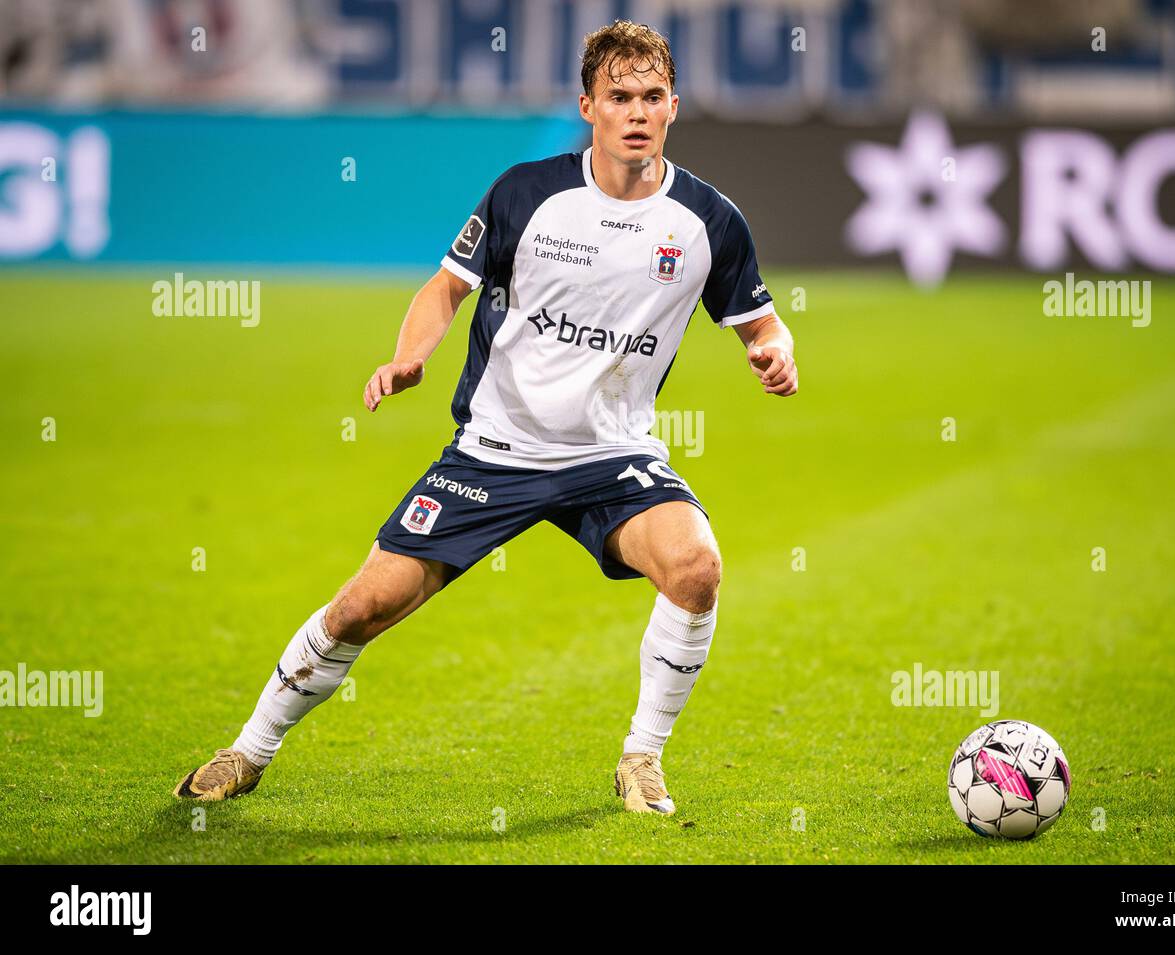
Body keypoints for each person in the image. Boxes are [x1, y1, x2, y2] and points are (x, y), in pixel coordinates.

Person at [174, 19, 797, 816]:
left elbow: (759, 320)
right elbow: (445, 288)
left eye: (650, 97)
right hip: (495, 452)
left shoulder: (710, 223)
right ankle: (248, 749)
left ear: (673, 105)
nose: (635, 112)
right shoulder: (527, 194)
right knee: (361, 607)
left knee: (697, 566)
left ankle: (642, 756)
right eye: (618, 97)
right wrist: (410, 355)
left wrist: (776, 351)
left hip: (612, 456)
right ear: (588, 106)